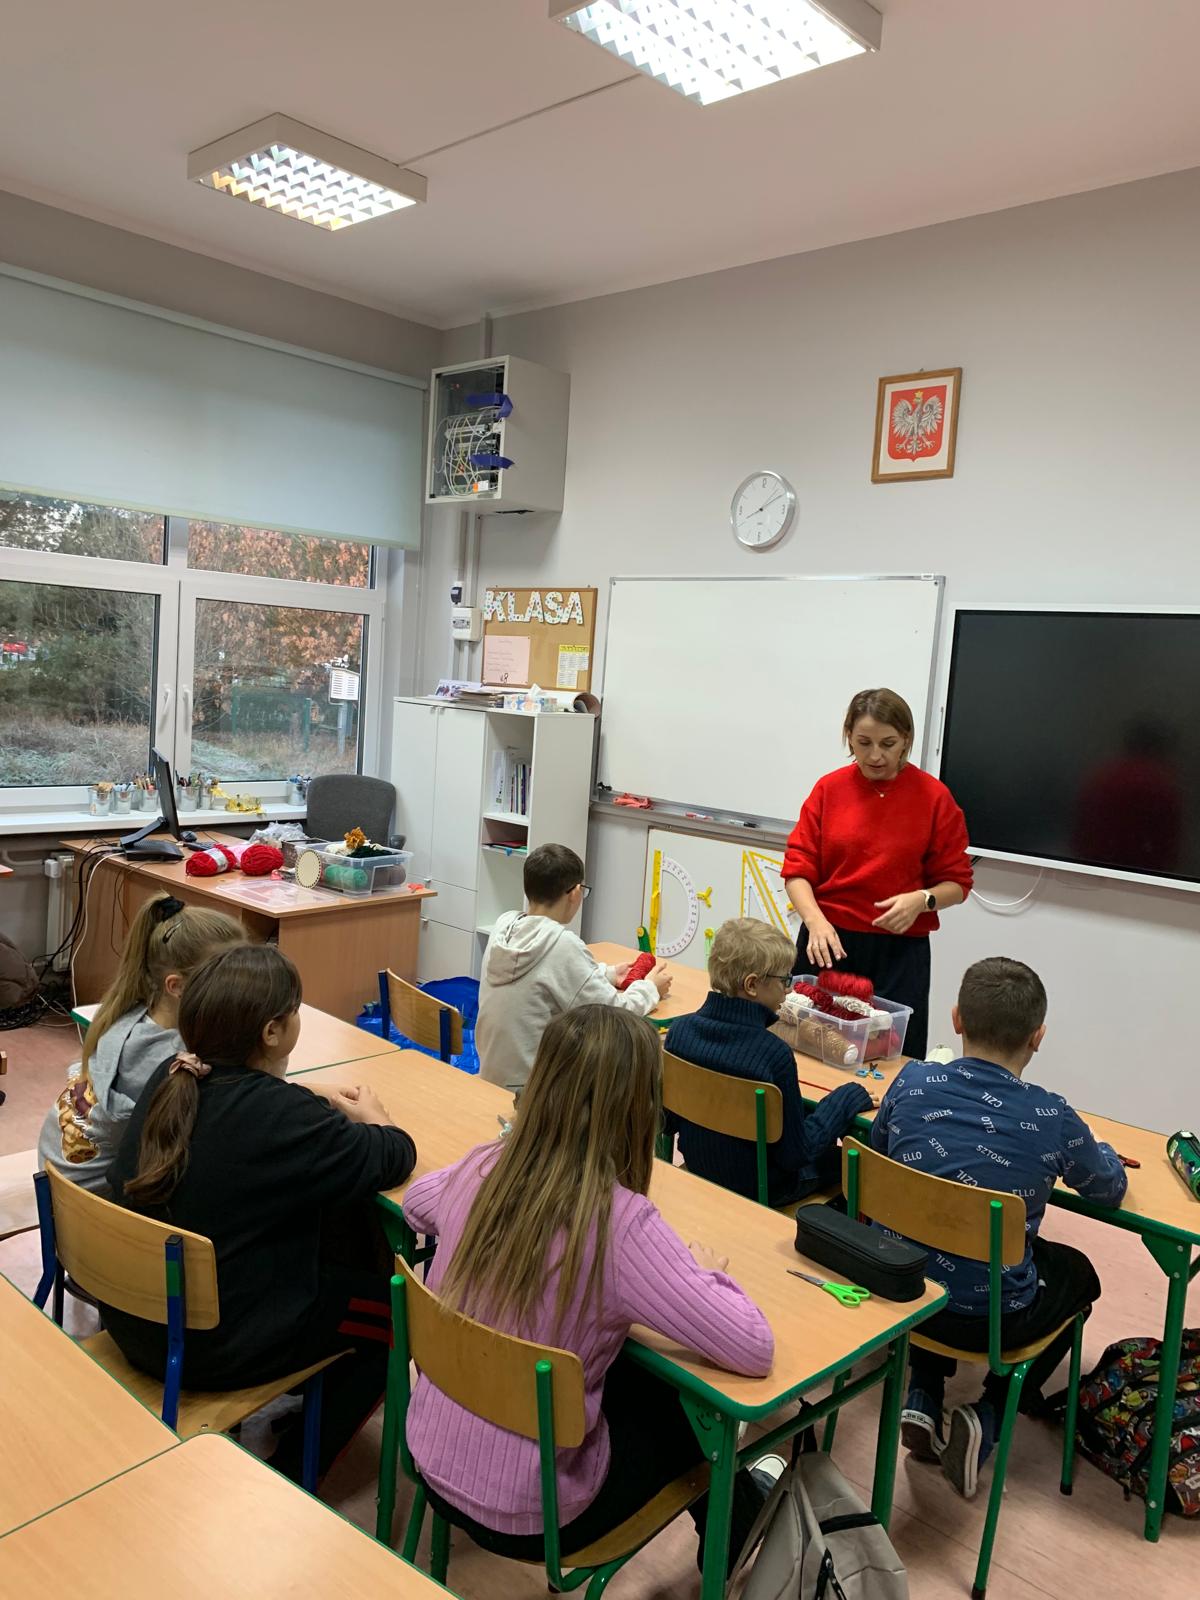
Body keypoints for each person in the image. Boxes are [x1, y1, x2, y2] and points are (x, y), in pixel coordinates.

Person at [403, 1005, 779, 1569]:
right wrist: (704, 1273)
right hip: (536, 1514)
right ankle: (738, 1528)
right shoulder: (623, 1227)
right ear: (641, 1109)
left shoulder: (483, 1166)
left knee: (627, 1367)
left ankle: (742, 1516)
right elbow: (753, 1346)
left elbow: (416, 1204)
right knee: (680, 1407)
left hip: (429, 1456)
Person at [104, 942, 417, 1482]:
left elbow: (253, 1117)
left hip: (135, 1319)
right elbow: (394, 1155)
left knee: (331, 1220)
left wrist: (299, 1092)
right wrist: (376, 1117)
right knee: (395, 1317)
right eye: (294, 1010)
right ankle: (292, 1475)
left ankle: (307, 1395)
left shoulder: (172, 1077)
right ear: (272, 1032)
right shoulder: (280, 1118)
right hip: (208, 1347)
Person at [869, 957, 1126, 1499]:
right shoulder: (1052, 1116)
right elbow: (1109, 1189)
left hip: (902, 1292)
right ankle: (990, 1410)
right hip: (995, 1321)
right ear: (1038, 1038)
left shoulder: (912, 1081)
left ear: (957, 1019)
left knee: (934, 1241)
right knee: (1080, 1275)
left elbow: (878, 1153)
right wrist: (1102, 1151)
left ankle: (923, 1390)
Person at [782, 687, 973, 1060]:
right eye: (863, 742)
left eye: (888, 744)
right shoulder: (829, 789)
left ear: (906, 740)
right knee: (809, 1050)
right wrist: (815, 921)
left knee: (891, 1058)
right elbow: (797, 869)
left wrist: (922, 900)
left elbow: (958, 883)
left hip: (899, 954)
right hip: (827, 943)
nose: (874, 756)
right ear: (848, 737)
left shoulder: (933, 797)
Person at [38, 892, 242, 1191]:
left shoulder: (130, 1013)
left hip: (60, 1189)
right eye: (227, 978)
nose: (241, 987)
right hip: (97, 1208)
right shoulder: (169, 1057)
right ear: (177, 986)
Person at [665, 917, 873, 1205]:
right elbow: (796, 1154)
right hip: (762, 1187)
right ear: (752, 984)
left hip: (700, 1166)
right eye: (785, 980)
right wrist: (845, 1099)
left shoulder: (679, 1032)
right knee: (853, 1162)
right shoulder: (773, 1054)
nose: (788, 990)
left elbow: (669, 1122)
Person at [478, 842, 671, 1093]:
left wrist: (607, 974)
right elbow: (615, 1014)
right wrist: (651, 988)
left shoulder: (504, 925)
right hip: (532, 1090)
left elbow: (547, 975)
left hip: (489, 1075)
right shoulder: (562, 944)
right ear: (576, 893)